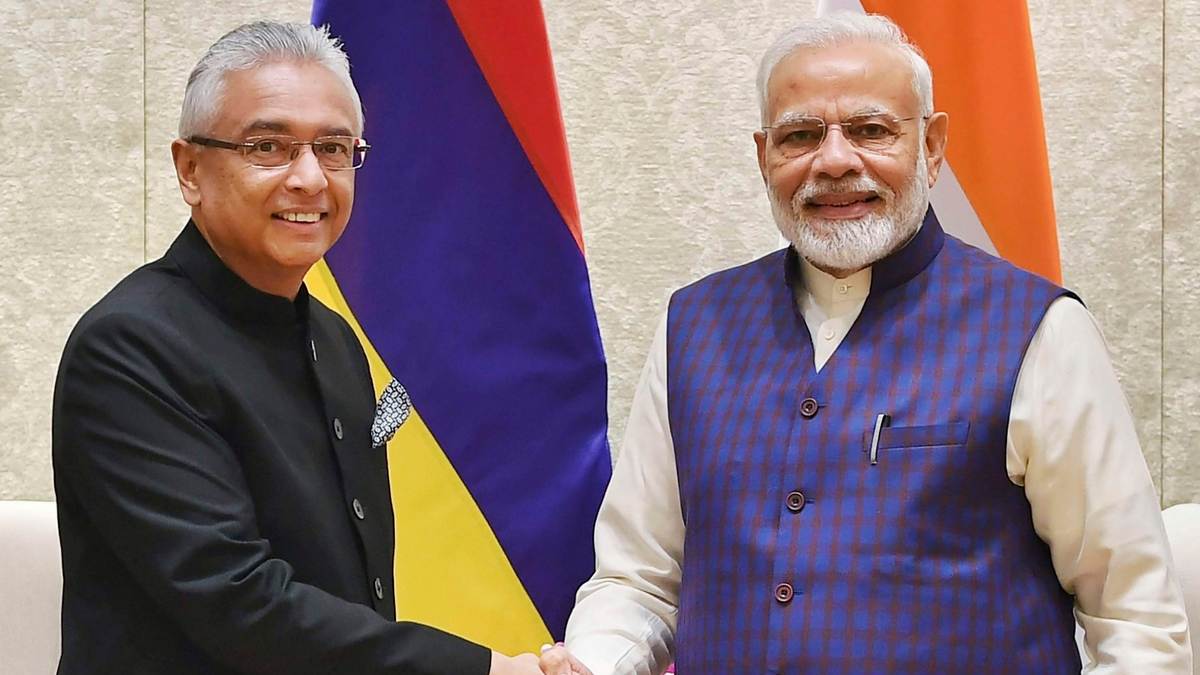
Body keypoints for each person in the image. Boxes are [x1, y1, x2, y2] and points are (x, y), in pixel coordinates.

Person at [540, 12, 1191, 675]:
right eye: (800, 136)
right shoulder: (692, 327)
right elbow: (638, 580)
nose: (835, 160)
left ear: (932, 146)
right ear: (764, 155)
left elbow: (1133, 619)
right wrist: (594, 661)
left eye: (871, 129)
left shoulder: (1038, 330)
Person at [52, 21, 539, 675]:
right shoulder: (130, 349)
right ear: (190, 168)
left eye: (334, 148)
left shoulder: (334, 341)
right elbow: (241, 603)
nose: (310, 178)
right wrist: (485, 669)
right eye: (270, 146)